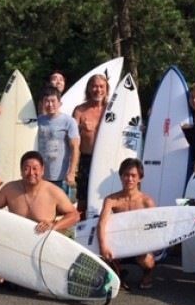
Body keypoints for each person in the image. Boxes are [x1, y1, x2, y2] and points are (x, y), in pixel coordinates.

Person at [0, 150, 81, 289]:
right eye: (26, 168)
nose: (31, 173)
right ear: (21, 171)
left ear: (43, 170)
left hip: (42, 246)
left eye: (35, 169)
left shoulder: (53, 191)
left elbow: (74, 215)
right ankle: (5, 270)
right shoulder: (10, 188)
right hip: (16, 244)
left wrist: (54, 225)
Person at [98, 158, 157, 290]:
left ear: (140, 178)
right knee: (102, 260)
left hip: (139, 243)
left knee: (147, 261)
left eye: (133, 175)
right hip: (119, 244)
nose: (129, 179)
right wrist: (103, 247)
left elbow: (155, 228)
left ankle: (148, 274)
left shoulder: (147, 202)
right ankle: (119, 273)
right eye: (126, 175)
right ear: (121, 177)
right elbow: (102, 223)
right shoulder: (111, 200)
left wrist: (147, 247)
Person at [72, 74, 109, 216]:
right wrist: (81, 128)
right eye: (94, 86)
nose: (97, 90)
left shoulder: (111, 109)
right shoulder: (80, 110)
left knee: (105, 196)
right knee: (83, 199)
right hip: (86, 159)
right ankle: (80, 231)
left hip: (107, 160)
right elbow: (72, 139)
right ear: (88, 88)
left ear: (106, 89)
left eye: (101, 86)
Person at [37, 86, 80, 196]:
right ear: (42, 103)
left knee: (62, 210)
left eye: (53, 101)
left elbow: (75, 148)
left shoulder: (69, 121)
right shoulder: (38, 121)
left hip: (61, 177)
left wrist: (71, 172)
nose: (50, 105)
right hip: (41, 176)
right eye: (47, 101)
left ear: (60, 103)